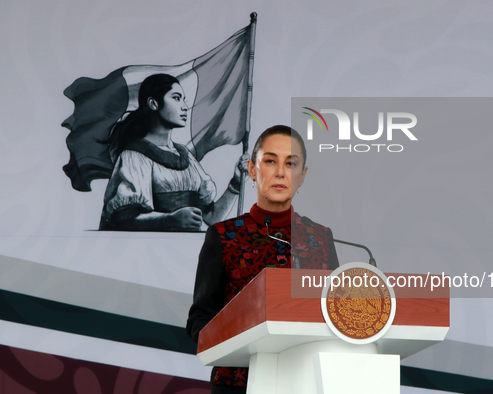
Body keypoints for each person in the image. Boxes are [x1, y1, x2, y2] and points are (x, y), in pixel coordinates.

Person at [186, 125, 339, 393]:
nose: (281, 172)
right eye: (270, 161)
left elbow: (337, 315)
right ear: (252, 169)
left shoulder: (321, 238)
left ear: (302, 176)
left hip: (306, 381)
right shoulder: (223, 236)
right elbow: (200, 321)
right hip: (238, 384)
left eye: (291, 164)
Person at [99, 73, 248, 231]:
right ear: (153, 103)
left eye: (183, 99)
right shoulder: (134, 156)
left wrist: (236, 183)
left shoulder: (186, 156)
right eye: (176, 98)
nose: (184, 106)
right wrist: (169, 220)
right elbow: (123, 221)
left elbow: (211, 218)